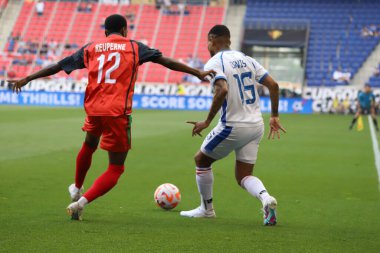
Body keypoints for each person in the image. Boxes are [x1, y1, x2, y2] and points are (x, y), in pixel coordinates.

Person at [8, 14, 215, 221]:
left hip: (94, 109)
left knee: (89, 144)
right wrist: (196, 72)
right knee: (116, 168)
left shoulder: (91, 47)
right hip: (117, 112)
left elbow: (59, 66)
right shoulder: (134, 47)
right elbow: (165, 61)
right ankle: (80, 203)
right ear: (125, 30)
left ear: (105, 32)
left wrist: (27, 78)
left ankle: (77, 187)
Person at [180, 25, 286, 226]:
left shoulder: (215, 62)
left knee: (201, 160)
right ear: (228, 40)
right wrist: (274, 116)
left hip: (232, 126)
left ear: (211, 39)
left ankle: (207, 209)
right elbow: (273, 85)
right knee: (244, 176)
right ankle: (266, 199)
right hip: (256, 125)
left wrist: (207, 122)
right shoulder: (247, 59)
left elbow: (222, 91)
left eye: (207, 42)